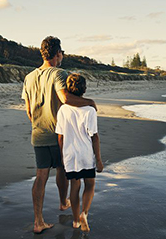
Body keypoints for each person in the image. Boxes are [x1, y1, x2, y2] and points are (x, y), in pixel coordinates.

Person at [21, 36, 96, 234]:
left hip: (38, 134)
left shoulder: (29, 77)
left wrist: (38, 124)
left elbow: (28, 110)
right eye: (61, 53)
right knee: (62, 170)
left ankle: (38, 221)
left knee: (41, 176)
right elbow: (65, 98)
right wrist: (90, 103)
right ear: (57, 54)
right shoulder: (59, 73)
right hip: (57, 133)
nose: (61, 56)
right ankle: (63, 202)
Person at [55, 73, 104, 232]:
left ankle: (76, 221)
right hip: (86, 154)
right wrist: (99, 160)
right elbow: (94, 137)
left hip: (70, 155)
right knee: (89, 185)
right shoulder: (90, 110)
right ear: (84, 90)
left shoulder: (63, 109)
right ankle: (84, 213)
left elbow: (60, 137)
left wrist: (62, 156)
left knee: (74, 187)